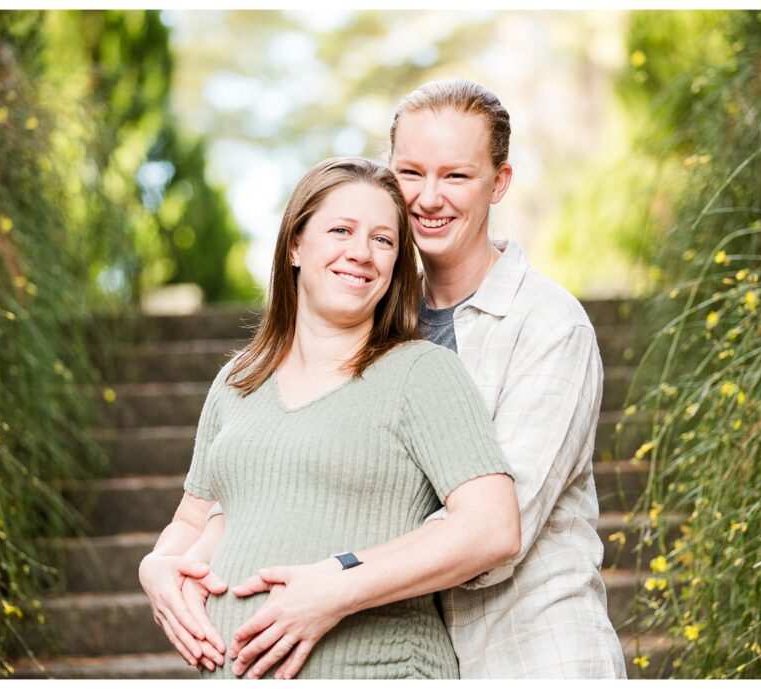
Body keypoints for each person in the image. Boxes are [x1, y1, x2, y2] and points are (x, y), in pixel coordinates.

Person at [144, 79, 627, 679]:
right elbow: (244, 496)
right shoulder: (366, 327)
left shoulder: (545, 326)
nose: (428, 197)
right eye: (410, 174)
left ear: (499, 183)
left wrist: (334, 577)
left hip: (525, 649)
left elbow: (497, 529)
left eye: (456, 176)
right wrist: (165, 561)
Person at [137, 156, 520, 680]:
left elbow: (492, 528)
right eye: (341, 229)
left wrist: (337, 587)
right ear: (295, 244)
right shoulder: (237, 381)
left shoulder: (421, 372)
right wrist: (155, 567)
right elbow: (191, 520)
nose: (361, 253)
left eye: (384, 240)